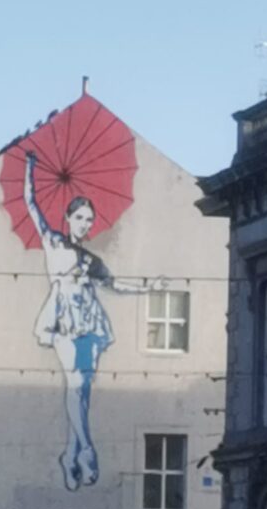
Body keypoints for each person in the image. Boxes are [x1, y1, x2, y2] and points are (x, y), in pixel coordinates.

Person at [24, 152, 163, 491]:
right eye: (80, 217)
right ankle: (87, 450)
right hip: (62, 321)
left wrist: (148, 288)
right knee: (75, 385)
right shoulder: (53, 242)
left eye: (89, 219)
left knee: (82, 393)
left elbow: (115, 286)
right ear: (68, 218)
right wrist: (30, 168)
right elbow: (31, 203)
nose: (85, 224)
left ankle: (69, 456)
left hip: (91, 323)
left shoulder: (92, 260)